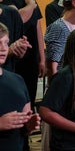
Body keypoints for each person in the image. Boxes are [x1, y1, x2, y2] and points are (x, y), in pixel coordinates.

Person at [0, 0, 46, 112]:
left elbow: (38, 28)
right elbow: (19, 18)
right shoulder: (7, 0)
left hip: (28, 55)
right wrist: (31, 5)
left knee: (28, 100)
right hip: (11, 60)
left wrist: (42, 58)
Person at [0, 22, 40, 151]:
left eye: (6, 43)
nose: (3, 48)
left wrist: (28, 126)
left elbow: (23, 131)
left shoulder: (17, 80)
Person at [0, 0, 29, 72]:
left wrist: (20, 48)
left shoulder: (12, 14)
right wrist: (9, 50)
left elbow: (19, 56)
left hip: (7, 76)